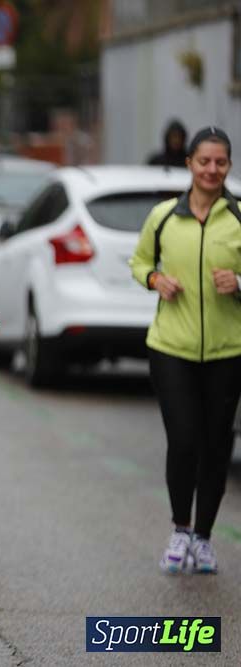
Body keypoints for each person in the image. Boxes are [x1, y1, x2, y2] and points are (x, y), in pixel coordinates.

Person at [130, 126, 241, 575]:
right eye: (204, 161)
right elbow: (140, 262)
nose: (212, 169)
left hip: (227, 350)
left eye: (220, 162)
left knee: (217, 443)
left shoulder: (238, 218)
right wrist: (156, 280)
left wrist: (239, 282)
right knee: (184, 439)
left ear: (228, 166)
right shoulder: (163, 217)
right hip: (171, 347)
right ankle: (180, 529)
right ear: (190, 163)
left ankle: (204, 538)